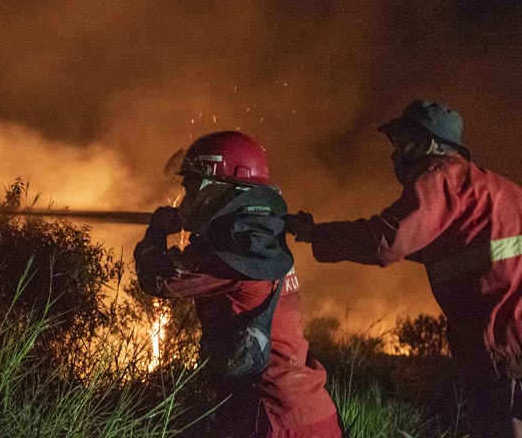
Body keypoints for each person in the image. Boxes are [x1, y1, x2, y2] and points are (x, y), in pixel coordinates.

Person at [285, 99, 522, 438]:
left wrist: (314, 233)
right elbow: (459, 251)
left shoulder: (440, 177)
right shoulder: (500, 190)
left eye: (402, 142)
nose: (394, 155)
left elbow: (386, 241)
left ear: (427, 143)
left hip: (502, 347)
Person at [134, 130, 342, 438]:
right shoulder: (261, 238)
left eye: (192, 190)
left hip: (270, 419)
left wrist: (155, 234)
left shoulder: (231, 253)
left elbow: (159, 281)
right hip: (312, 413)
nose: (185, 201)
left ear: (219, 191)